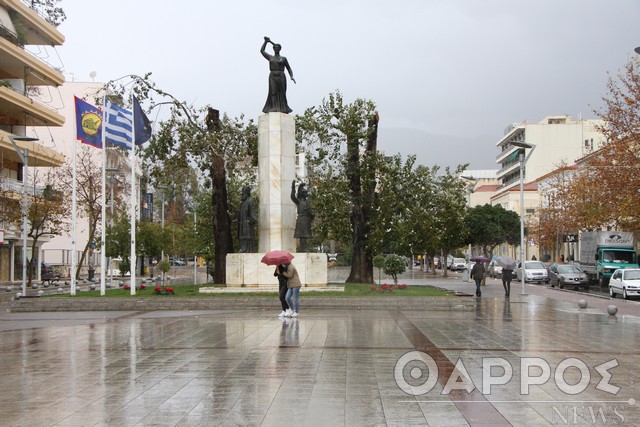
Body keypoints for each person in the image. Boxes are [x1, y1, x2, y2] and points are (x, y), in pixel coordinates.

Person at [261, 36, 296, 114]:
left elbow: (289, 68)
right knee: (273, 91)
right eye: (275, 47)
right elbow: (262, 51)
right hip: (272, 75)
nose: (276, 49)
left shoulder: (283, 58)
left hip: (281, 75)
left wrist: (291, 76)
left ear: (280, 49)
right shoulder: (270, 57)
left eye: (277, 47)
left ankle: (283, 108)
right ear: (273, 49)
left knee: (282, 92)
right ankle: (273, 107)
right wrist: (266, 42)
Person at [291, 181, 314, 251]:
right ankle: (303, 248)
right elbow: (292, 197)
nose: (306, 194)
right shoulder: (299, 201)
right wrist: (293, 188)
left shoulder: (307, 201)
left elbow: (309, 210)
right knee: (302, 234)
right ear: (302, 194)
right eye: (305, 193)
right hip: (302, 218)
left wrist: (312, 215)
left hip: (307, 219)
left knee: (306, 234)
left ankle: (304, 247)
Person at [238, 186, 258, 253]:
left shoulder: (250, 200)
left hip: (247, 223)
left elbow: (252, 211)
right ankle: (242, 248)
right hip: (242, 223)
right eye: (242, 192)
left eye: (244, 192)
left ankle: (247, 249)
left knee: (247, 236)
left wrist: (253, 219)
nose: (242, 194)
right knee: (242, 236)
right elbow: (239, 213)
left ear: (247, 192)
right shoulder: (242, 202)